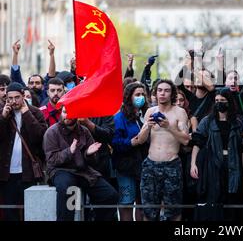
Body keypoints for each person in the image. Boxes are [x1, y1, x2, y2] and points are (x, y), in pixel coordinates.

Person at [43, 106, 118, 221]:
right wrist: (69, 151)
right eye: (64, 112)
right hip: (61, 171)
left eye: (70, 113)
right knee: (67, 190)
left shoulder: (84, 131)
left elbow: (94, 161)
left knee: (110, 195)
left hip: (83, 171)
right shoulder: (52, 132)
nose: (66, 116)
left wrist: (88, 153)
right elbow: (52, 160)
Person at [134, 79, 190, 221]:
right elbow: (140, 140)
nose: (162, 93)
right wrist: (147, 126)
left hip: (171, 164)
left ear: (172, 94)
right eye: (160, 90)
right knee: (148, 211)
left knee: (173, 210)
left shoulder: (179, 112)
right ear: (155, 93)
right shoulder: (150, 111)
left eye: (166, 90)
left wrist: (169, 126)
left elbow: (185, 140)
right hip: (151, 165)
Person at [190, 88, 243, 220]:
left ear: (229, 102)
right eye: (216, 100)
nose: (219, 103)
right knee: (214, 196)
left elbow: (242, 147)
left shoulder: (238, 122)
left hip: (233, 163)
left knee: (232, 196)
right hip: (213, 164)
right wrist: (193, 164)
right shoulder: (207, 121)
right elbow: (197, 143)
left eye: (222, 100)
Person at [0, 82, 47, 221]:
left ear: (23, 96)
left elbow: (40, 137)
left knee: (30, 211)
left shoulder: (34, 112)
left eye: (17, 97)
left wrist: (26, 114)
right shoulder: (3, 113)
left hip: (28, 172)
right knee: (10, 212)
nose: (14, 101)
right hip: (7, 172)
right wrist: (2, 118)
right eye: (10, 98)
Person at [112, 82, 149, 221]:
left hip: (144, 165)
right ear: (129, 97)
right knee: (126, 202)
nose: (141, 97)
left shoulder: (147, 114)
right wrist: (131, 142)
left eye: (143, 94)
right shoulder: (119, 118)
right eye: (137, 95)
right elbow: (115, 142)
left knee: (143, 203)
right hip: (125, 166)